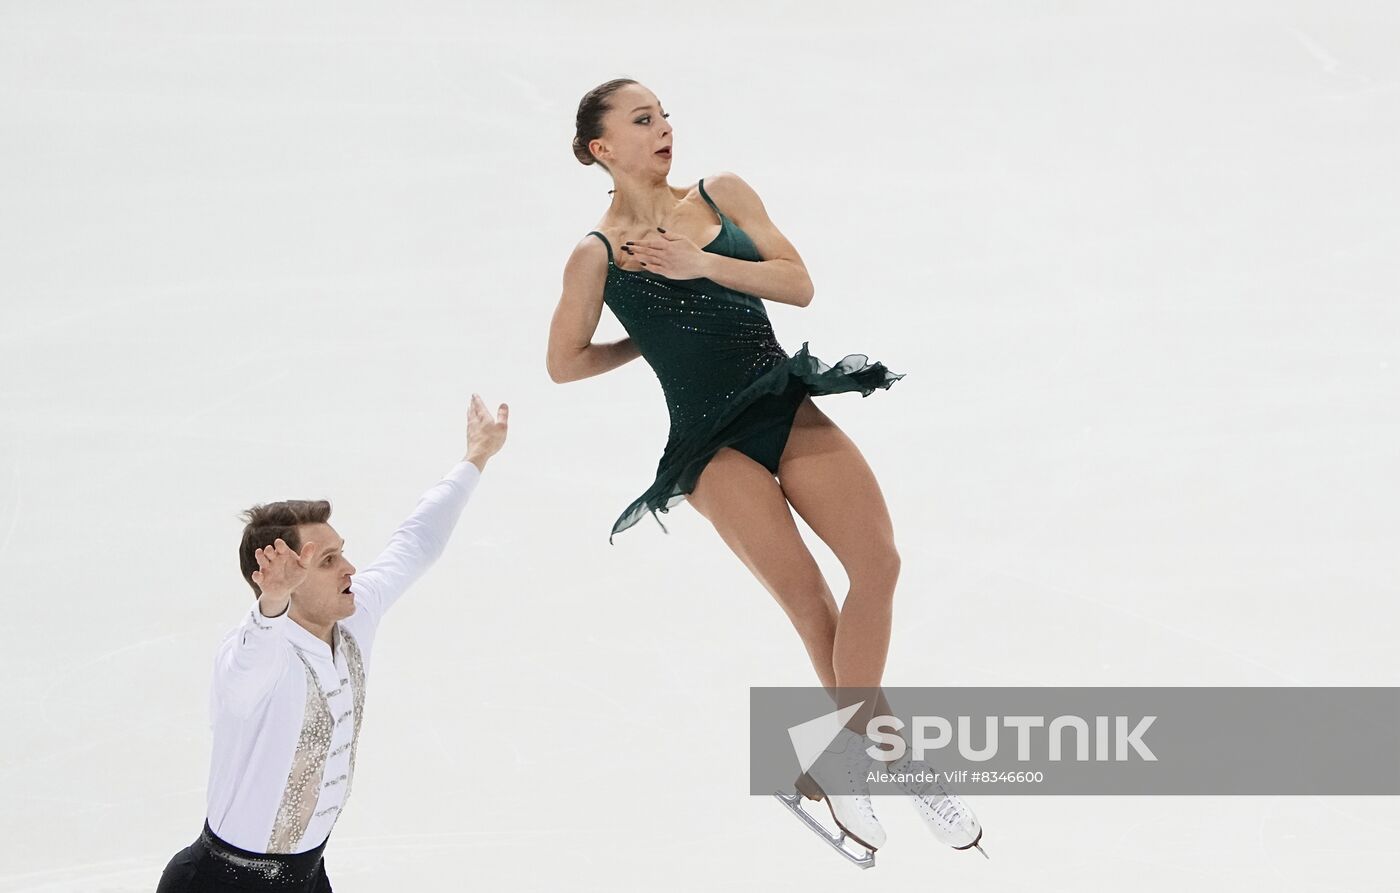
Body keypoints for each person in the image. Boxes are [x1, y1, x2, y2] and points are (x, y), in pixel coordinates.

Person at [546, 78, 984, 865]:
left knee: (878, 563)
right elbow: (563, 362)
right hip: (710, 447)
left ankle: (850, 759)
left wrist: (698, 264)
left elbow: (798, 282)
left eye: (665, 113)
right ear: (602, 148)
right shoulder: (598, 255)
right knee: (810, 600)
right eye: (643, 120)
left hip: (781, 399)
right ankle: (898, 765)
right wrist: (649, 336)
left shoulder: (723, 193)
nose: (664, 127)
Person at [156, 394, 509, 892]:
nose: (349, 569)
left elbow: (415, 542)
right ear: (280, 581)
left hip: (307, 877)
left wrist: (475, 458)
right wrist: (271, 603)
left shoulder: (356, 612)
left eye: (341, 553)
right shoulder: (256, 656)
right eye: (327, 562)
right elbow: (249, 661)